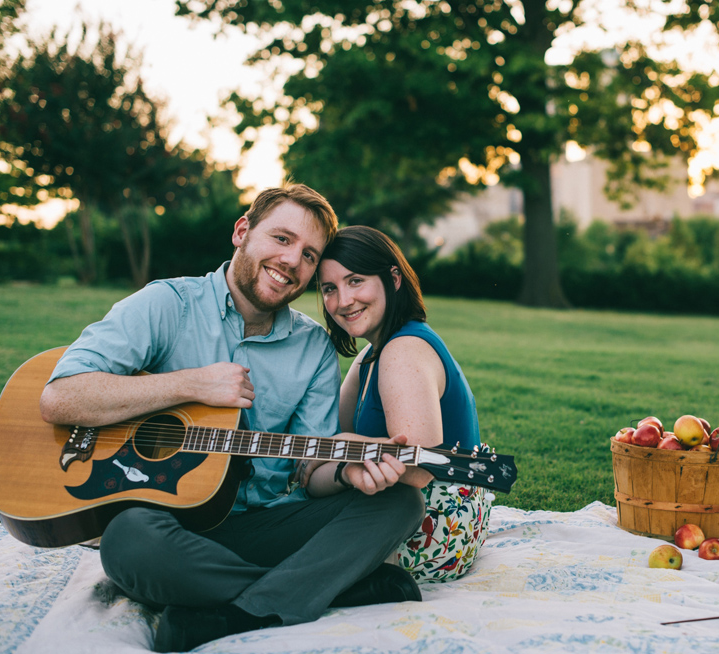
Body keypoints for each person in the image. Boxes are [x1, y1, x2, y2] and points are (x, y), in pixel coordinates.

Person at [38, 186, 426, 653]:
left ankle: (239, 610)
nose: (291, 262)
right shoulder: (168, 305)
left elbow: (309, 470)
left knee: (399, 504)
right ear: (242, 231)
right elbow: (60, 396)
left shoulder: (313, 348)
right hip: (168, 529)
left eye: (308, 255)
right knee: (126, 541)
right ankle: (335, 588)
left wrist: (345, 470)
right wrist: (189, 385)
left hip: (260, 529)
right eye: (281, 239)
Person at [313, 225, 492, 583]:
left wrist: (345, 449)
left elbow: (420, 464)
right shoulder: (369, 356)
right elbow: (328, 444)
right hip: (420, 512)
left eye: (355, 281)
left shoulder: (403, 350)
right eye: (329, 288)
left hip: (436, 523)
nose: (342, 301)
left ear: (393, 279)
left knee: (277, 541)